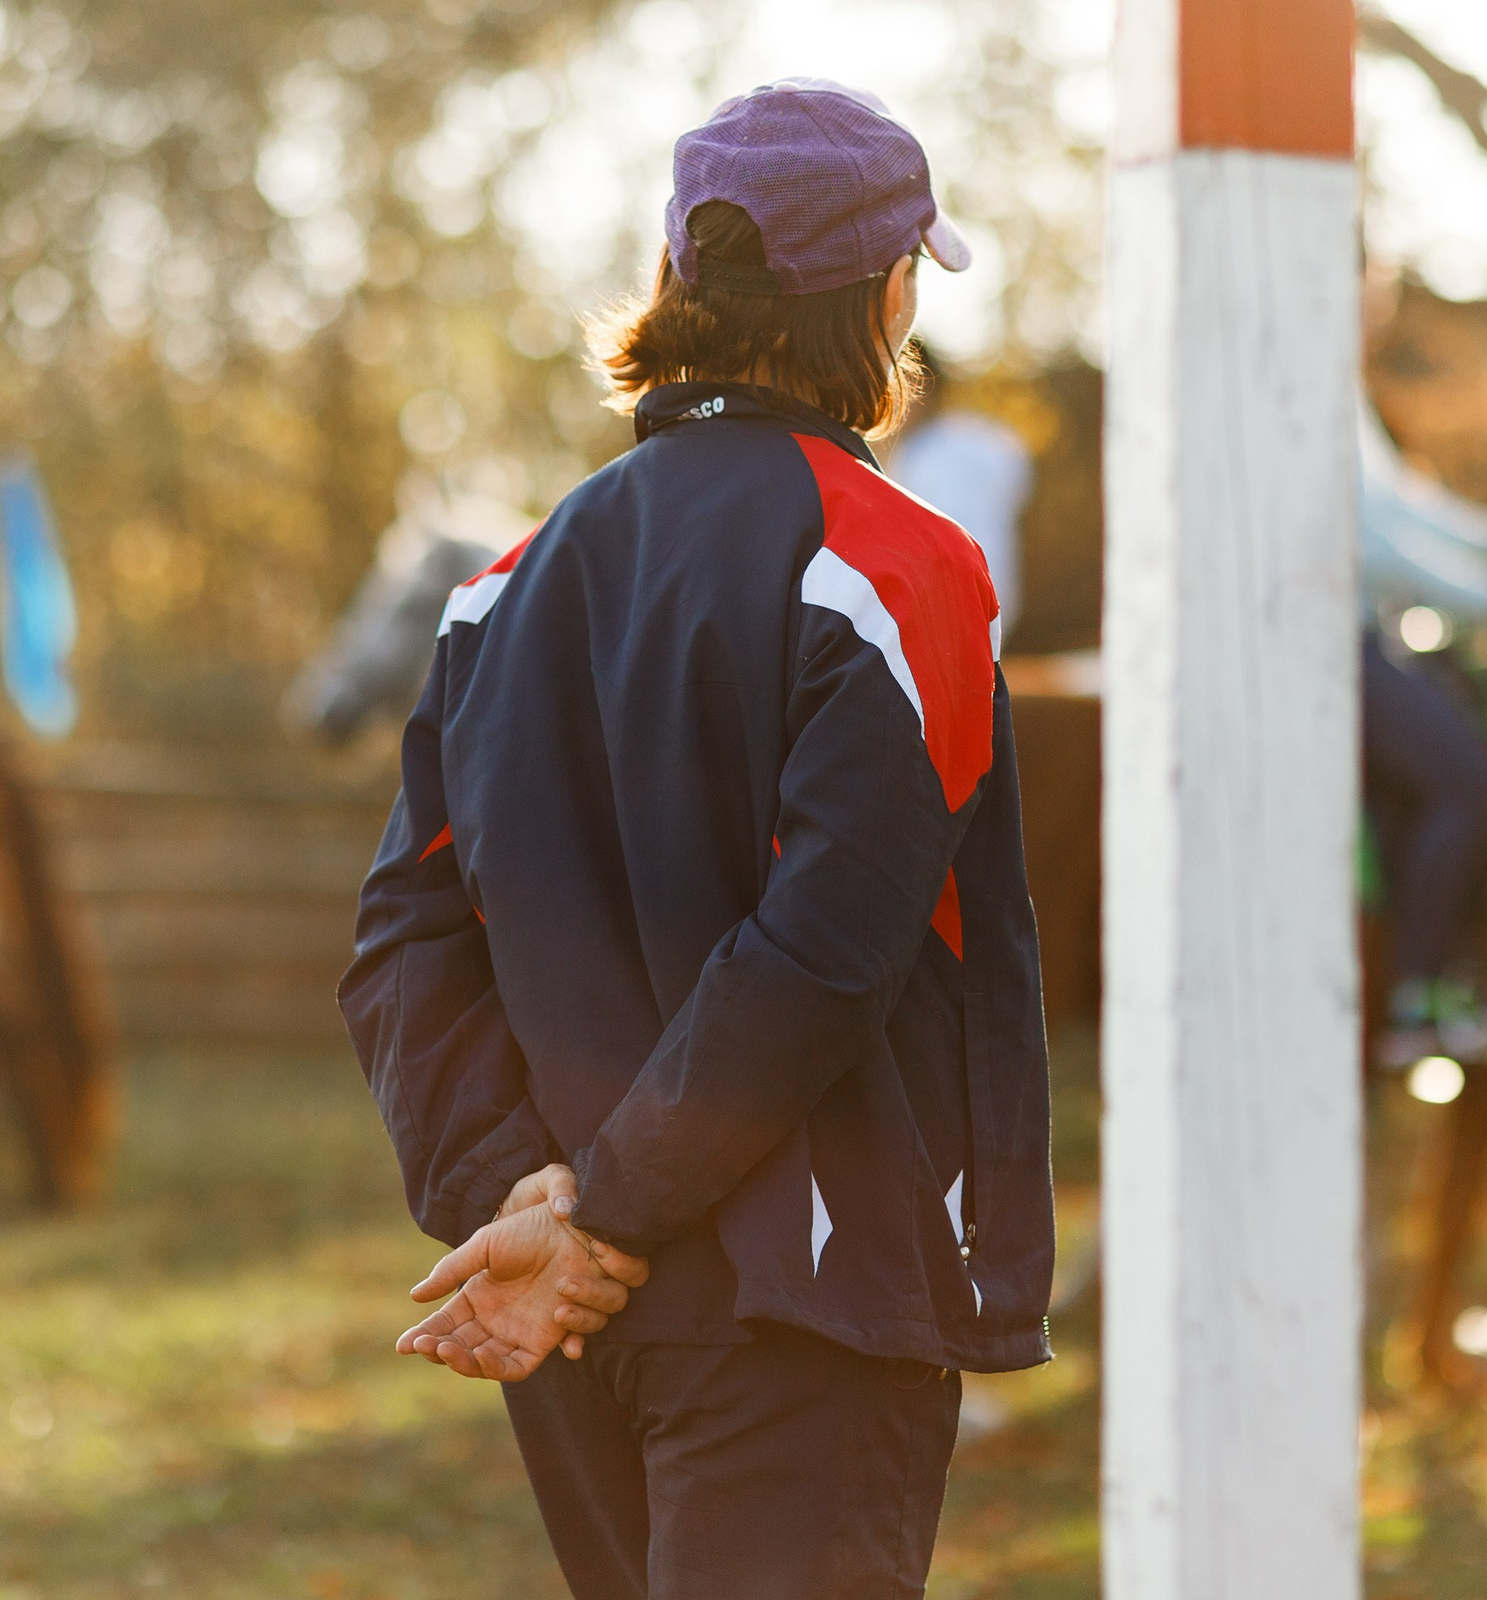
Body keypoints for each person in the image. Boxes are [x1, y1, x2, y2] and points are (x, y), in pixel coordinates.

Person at [341, 78, 1053, 1600]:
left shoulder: (508, 584)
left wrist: (519, 1199)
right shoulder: (902, 564)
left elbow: (402, 939)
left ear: (680, 281)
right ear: (879, 296)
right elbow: (824, 950)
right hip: (804, 1305)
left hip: (577, 1319)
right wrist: (591, 1212)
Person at [1358, 396, 1487, 1071]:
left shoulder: (1345, 394)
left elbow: (1406, 506)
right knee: (1464, 782)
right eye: (1370, 289)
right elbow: (1372, 540)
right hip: (1336, 646)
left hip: (1375, 636)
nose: (1379, 307)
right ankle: (1419, 993)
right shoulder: (1312, 385)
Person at [888, 345, 1034, 639]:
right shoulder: (991, 437)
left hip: (939, 615)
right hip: (999, 607)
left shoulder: (914, 457)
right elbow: (1020, 494)